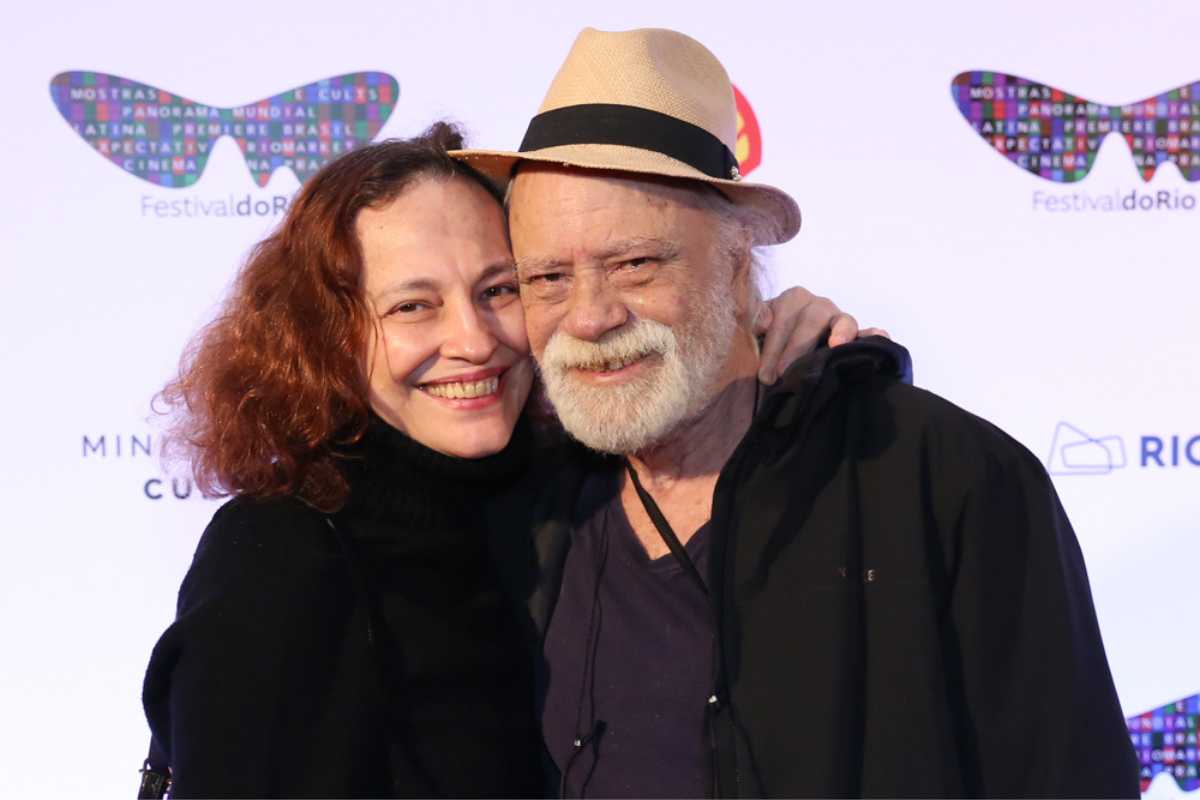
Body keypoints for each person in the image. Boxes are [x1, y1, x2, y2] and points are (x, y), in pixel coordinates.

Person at [453, 27, 1141, 798]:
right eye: (546, 277)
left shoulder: (947, 478)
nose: (589, 316)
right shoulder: (521, 511)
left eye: (635, 263)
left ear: (738, 264)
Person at [139, 123, 867, 798]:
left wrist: (794, 342)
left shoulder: (569, 496)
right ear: (325, 340)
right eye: (413, 307)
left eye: (499, 290)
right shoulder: (282, 553)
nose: (476, 340)